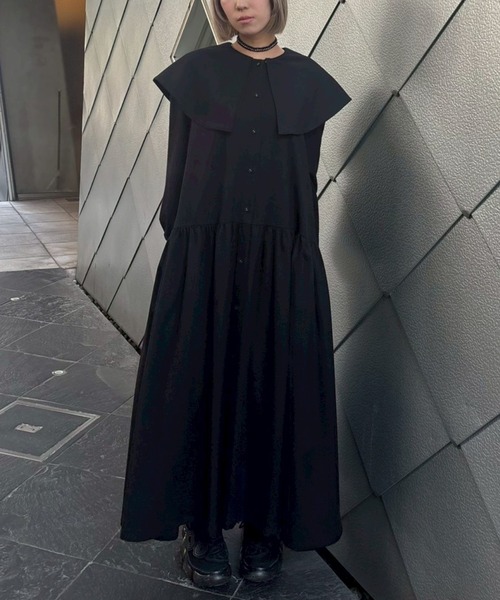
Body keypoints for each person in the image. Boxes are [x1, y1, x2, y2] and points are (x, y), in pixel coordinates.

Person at [119, 0, 352, 590]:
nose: (239, 3)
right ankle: (201, 527)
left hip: (281, 264)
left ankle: (264, 527)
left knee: (272, 386)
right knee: (200, 384)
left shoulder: (308, 83)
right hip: (205, 260)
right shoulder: (198, 75)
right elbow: (177, 180)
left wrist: (296, 260)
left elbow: (304, 179)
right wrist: (189, 260)